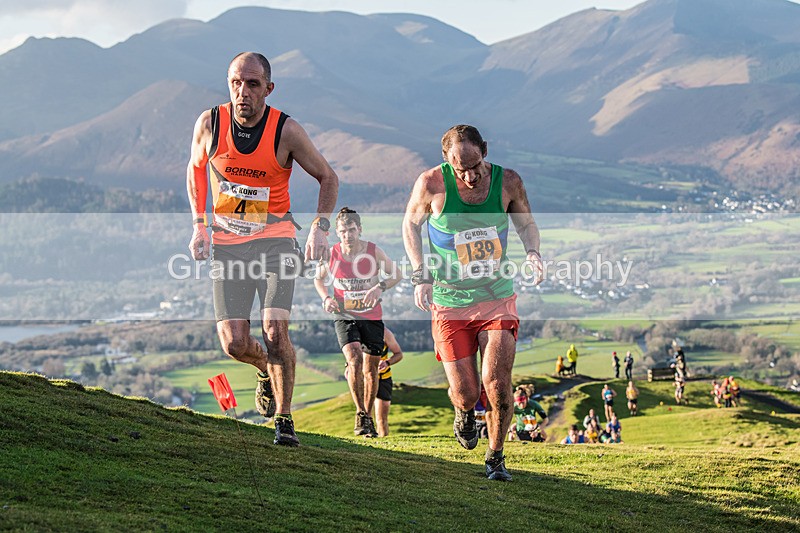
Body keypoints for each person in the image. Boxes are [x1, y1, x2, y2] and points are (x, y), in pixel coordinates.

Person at [186, 52, 339, 447]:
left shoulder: (285, 131)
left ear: (268, 89)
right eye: (236, 82)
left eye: (252, 84)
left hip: (275, 241)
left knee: (275, 329)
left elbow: (327, 176)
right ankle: (264, 369)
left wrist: (321, 227)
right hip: (228, 244)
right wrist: (199, 225)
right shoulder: (209, 123)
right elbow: (196, 169)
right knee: (234, 343)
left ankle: (284, 421)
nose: (242, 92)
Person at [402, 124, 544, 482]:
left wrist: (533, 253)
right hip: (450, 302)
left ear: (485, 151)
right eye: (459, 167)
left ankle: (496, 456)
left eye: (475, 165)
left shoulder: (508, 182)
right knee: (466, 393)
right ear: (446, 161)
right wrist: (421, 275)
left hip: (496, 296)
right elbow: (410, 226)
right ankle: (464, 412)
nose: (469, 175)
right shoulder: (431, 184)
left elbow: (526, 224)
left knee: (496, 381)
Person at [315, 208, 401, 438]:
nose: (347, 235)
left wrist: (379, 287)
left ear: (359, 229)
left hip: (371, 315)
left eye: (352, 230)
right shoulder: (332, 253)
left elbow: (396, 274)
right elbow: (318, 279)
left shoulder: (373, 251)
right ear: (337, 232)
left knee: (370, 369)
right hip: (345, 314)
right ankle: (361, 413)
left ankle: (368, 417)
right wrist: (326, 298)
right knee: (353, 359)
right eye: (343, 231)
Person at [374, 328, 404, 437]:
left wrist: (387, 362)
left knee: (381, 419)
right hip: (364, 379)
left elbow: (399, 354)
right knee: (365, 418)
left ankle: (383, 444)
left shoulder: (385, 332)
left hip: (383, 378)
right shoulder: (356, 330)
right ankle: (366, 448)